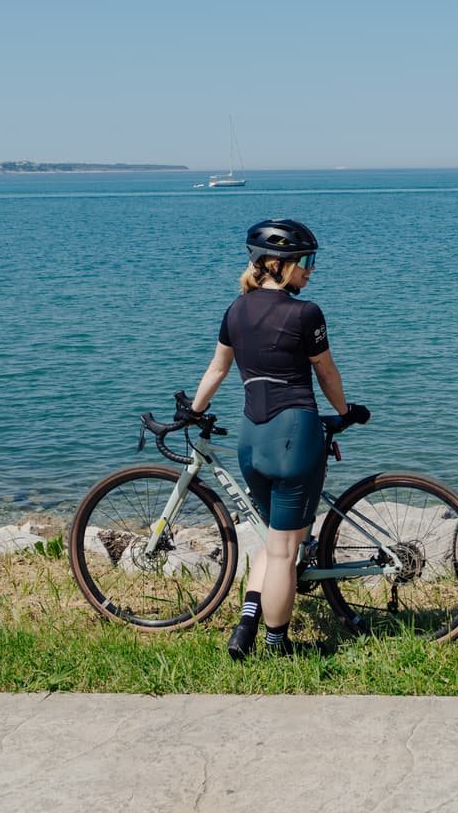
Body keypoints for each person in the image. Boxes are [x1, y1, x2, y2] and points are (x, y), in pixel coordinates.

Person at [187, 218, 361, 659]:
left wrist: (194, 411)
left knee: (275, 539)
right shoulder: (306, 313)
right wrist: (346, 412)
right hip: (294, 438)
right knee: (286, 550)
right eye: (306, 261)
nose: (311, 269)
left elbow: (217, 370)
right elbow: (325, 371)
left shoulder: (234, 310)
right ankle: (278, 646)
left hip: (253, 441)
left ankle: (246, 623)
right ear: (277, 264)